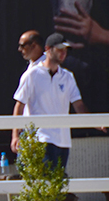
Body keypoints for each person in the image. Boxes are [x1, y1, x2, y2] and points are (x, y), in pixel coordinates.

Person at [10, 33, 95, 168]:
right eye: (60, 49)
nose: (63, 53)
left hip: (63, 140)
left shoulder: (68, 76)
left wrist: (94, 122)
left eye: (65, 50)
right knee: (44, 180)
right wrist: (15, 136)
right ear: (48, 49)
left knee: (57, 184)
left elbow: (78, 104)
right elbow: (19, 105)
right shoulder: (32, 74)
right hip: (40, 138)